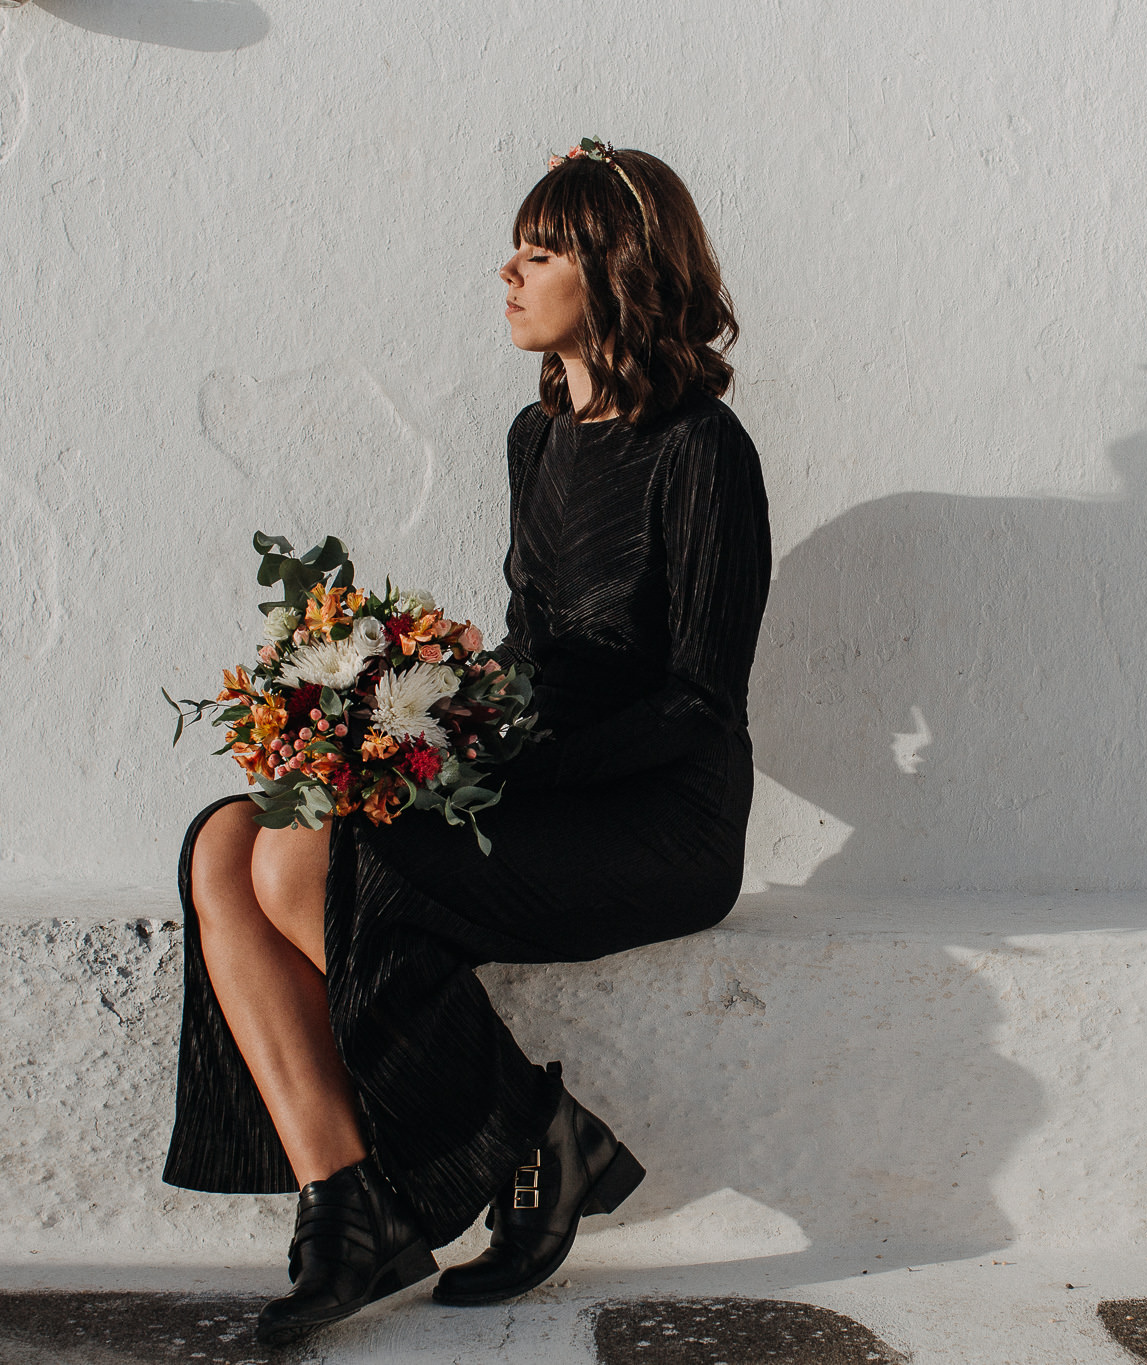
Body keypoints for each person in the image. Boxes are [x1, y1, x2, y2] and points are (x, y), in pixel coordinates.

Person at [162, 140, 771, 1346]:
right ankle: (347, 1204)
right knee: (231, 838)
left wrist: (494, 768)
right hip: (534, 783)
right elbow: (529, 647)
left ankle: (534, 1142)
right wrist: (417, 715)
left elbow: (698, 702)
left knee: (324, 864)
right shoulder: (532, 440)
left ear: (611, 272)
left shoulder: (702, 451)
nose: (506, 271)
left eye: (537, 253)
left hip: (661, 820)